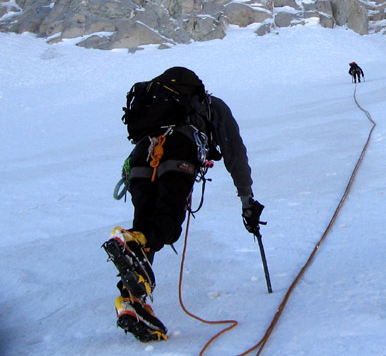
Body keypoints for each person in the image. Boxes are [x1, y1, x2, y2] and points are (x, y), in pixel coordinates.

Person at [102, 66, 264, 343]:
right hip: (179, 151)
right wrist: (247, 200)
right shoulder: (213, 107)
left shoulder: (157, 110)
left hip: (141, 157)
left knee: (144, 228)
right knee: (166, 224)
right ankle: (132, 262)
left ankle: (132, 301)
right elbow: (235, 154)